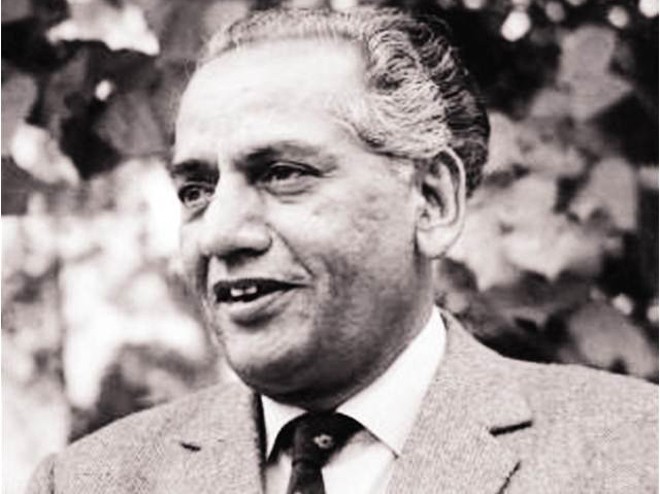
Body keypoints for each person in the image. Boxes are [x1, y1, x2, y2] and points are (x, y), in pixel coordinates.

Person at [27, 7, 657, 494]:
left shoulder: (634, 454)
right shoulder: (84, 482)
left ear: (432, 200)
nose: (219, 234)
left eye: (282, 173)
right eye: (196, 190)